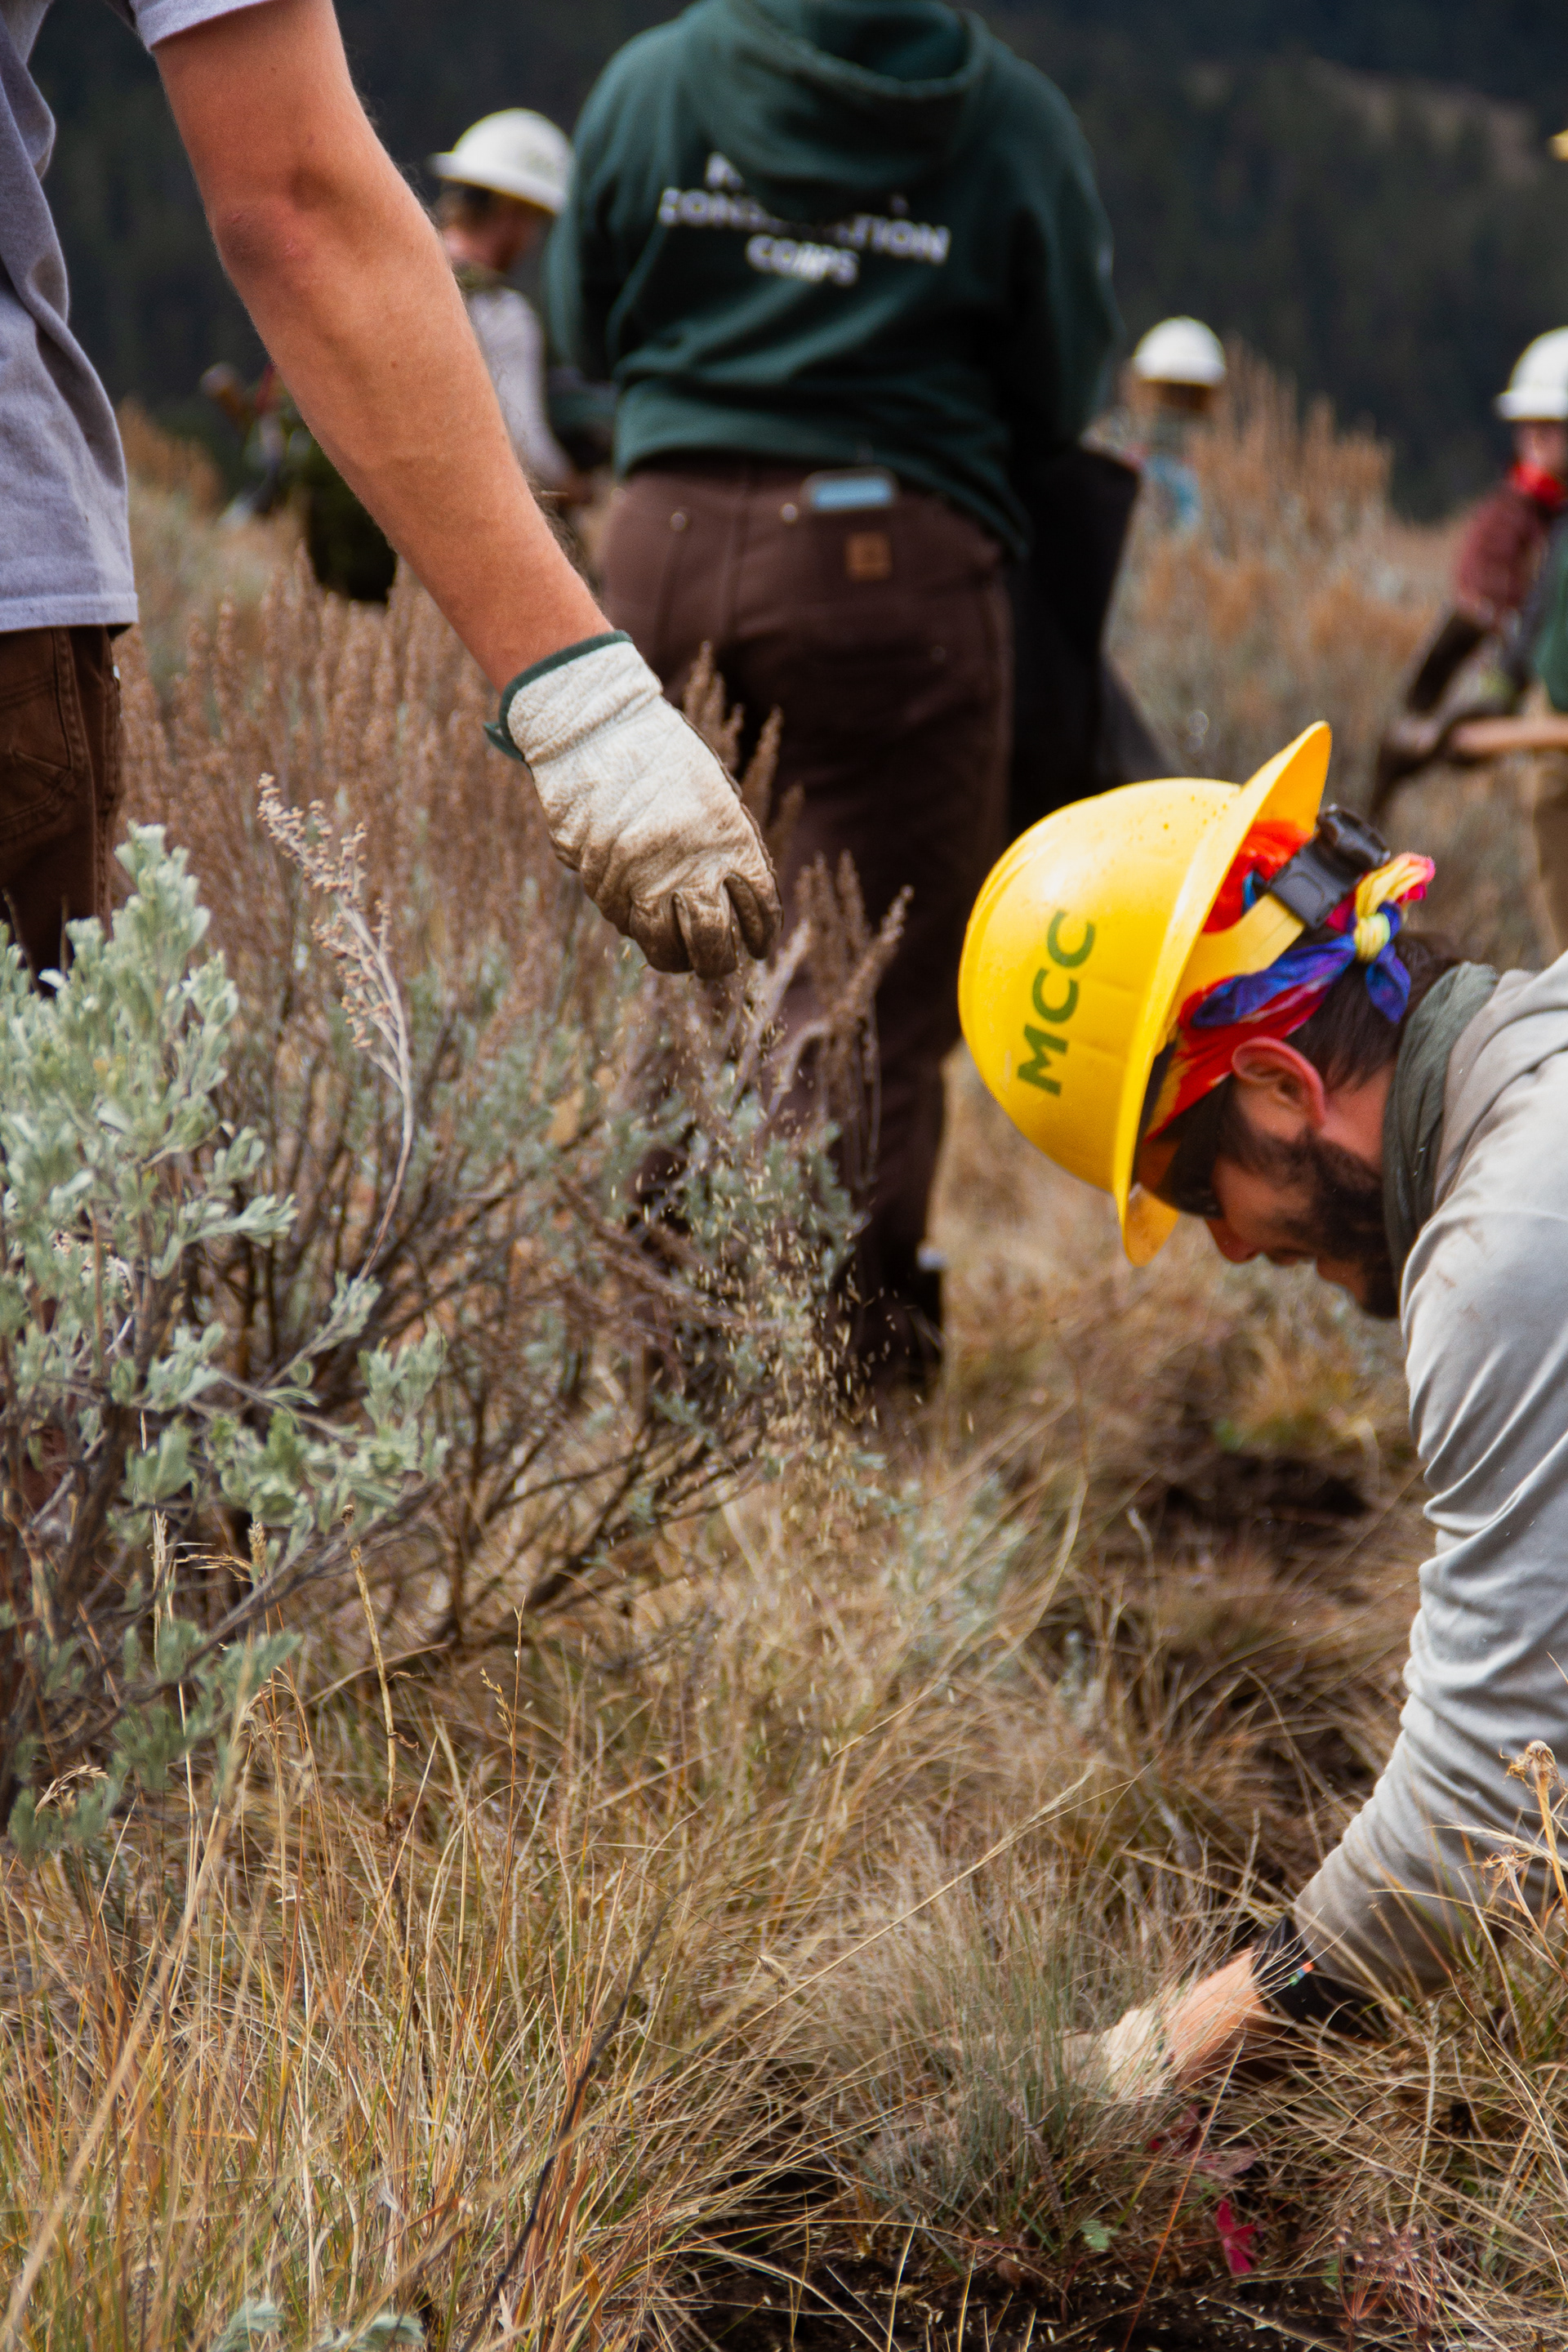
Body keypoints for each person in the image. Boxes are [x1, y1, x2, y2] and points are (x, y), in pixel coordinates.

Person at [960, 721, 1568, 2086]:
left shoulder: (1511, 1253)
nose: (1229, 1247)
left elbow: (1492, 1804)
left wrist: (1163, 2052)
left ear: (1281, 1086)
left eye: (1195, 1189)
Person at [546, 0, 1119, 1388]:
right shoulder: (1008, 118)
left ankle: (664, 1367)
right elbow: (1059, 390)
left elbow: (583, 323)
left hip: (661, 546)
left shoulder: (656, 80)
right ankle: (834, 1381)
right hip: (892, 564)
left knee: (677, 958)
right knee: (858, 982)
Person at [1, 0, 777, 984]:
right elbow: (297, 203)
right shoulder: (495, 312)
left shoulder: (442, 266)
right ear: (523, 218)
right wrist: (587, 701)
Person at [1372, 332, 1568, 852]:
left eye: (1550, 426)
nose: (1534, 439)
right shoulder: (1511, 522)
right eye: (1528, 425)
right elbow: (1496, 623)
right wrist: (1481, 700)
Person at [430, 110, 586, 502]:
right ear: (512, 212)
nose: (532, 239)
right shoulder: (504, 312)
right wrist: (576, 488)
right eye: (535, 220)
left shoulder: (395, 276)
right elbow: (526, 446)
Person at [1126, 314, 1227, 534]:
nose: (1180, 401)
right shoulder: (1136, 458)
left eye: (1188, 393)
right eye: (1172, 390)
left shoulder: (1203, 467)